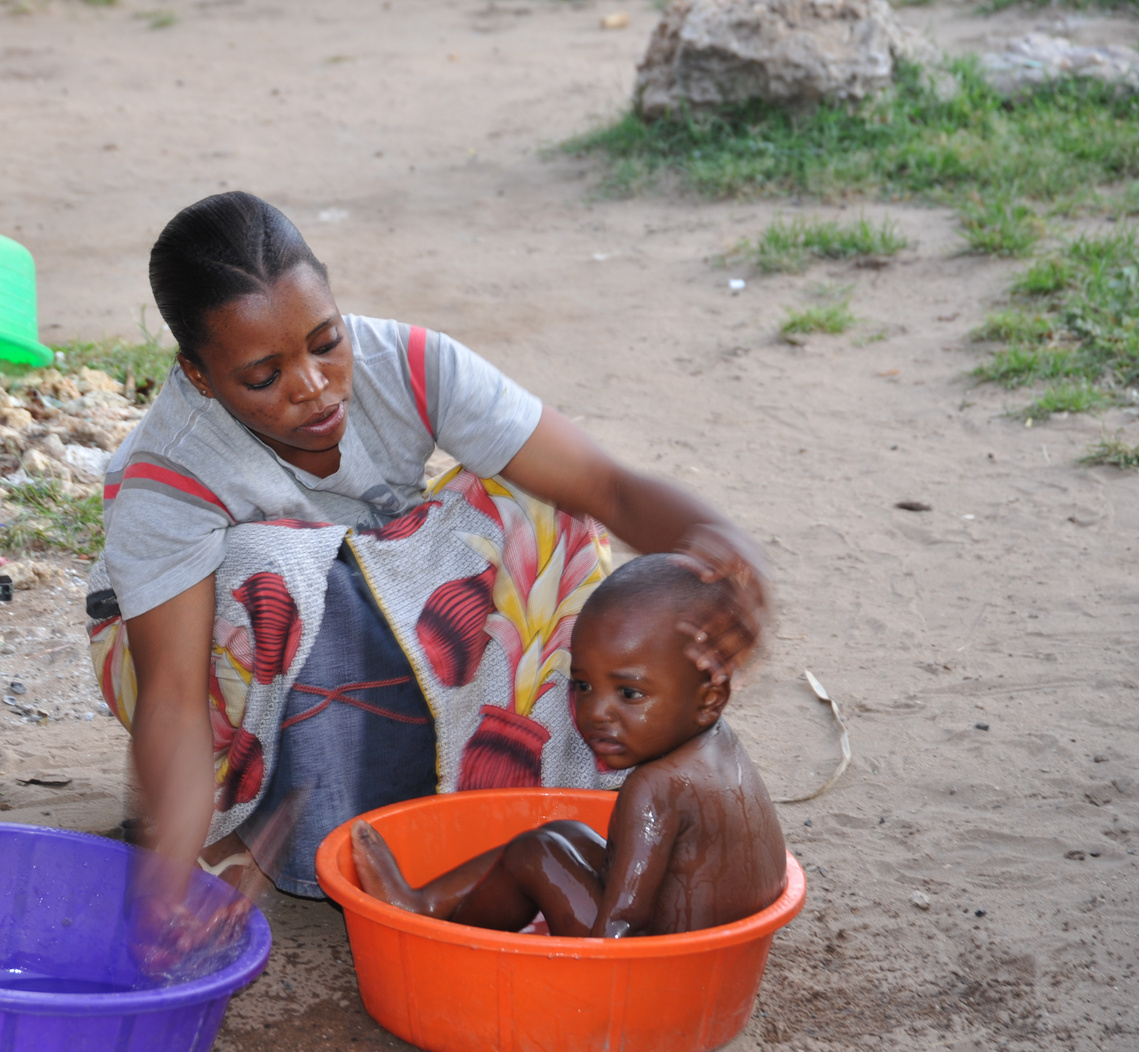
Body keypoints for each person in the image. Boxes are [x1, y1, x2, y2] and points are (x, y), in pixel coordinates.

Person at [84, 192, 770, 963]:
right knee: (273, 568)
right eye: (263, 375)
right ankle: (255, 817)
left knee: (539, 509)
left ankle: (506, 797)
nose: (312, 385)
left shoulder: (407, 364)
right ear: (199, 376)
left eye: (324, 342)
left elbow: (604, 489)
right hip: (196, 656)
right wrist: (165, 874)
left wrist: (718, 553)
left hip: (365, 594)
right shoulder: (165, 474)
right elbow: (173, 697)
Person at [349, 554, 787, 937]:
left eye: (630, 694)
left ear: (710, 698)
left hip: (660, 966)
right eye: (582, 685)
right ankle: (424, 904)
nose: (595, 712)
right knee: (567, 833)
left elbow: (622, 923)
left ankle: (442, 934)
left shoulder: (658, 786)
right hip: (717, 952)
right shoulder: (718, 747)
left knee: (537, 851)